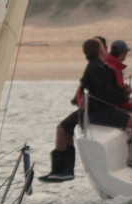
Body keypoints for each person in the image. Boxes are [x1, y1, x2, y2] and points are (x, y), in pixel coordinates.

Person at [39, 35, 108, 182]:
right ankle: (63, 170)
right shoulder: (98, 66)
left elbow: (97, 90)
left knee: (62, 128)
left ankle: (63, 170)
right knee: (66, 129)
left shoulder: (95, 67)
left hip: (92, 110)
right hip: (90, 108)